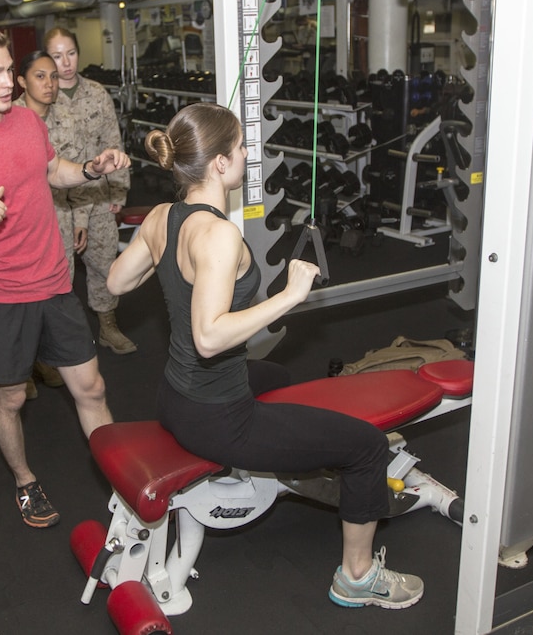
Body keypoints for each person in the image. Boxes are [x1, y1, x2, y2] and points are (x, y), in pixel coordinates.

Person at [106, 102, 424, 610]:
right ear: (218, 164)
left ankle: (277, 461)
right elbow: (209, 338)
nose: (247, 154)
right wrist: (288, 297)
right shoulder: (219, 234)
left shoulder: (163, 217)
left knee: (274, 373)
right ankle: (358, 577)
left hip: (175, 395)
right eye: (239, 148)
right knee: (366, 446)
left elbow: (116, 281)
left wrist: (170, 263)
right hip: (216, 416)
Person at [0, 26, 128, 528]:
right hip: (1, 295)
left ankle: (123, 479)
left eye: (8, 71)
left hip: (55, 281)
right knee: (11, 397)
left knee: (92, 388)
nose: (8, 83)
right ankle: (24, 479)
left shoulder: (26, 122)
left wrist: (92, 169)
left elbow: (55, 171)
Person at [44, 26, 137, 355]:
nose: (65, 62)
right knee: (58, 268)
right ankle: (56, 340)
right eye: (56, 56)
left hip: (96, 192)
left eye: (70, 53)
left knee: (103, 259)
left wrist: (118, 192)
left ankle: (108, 325)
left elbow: (114, 142)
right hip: (54, 199)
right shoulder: (38, 99)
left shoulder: (97, 92)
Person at [11, 50, 72, 396]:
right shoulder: (8, 121)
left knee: (53, 295)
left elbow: (68, 170)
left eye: (53, 76)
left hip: (59, 214)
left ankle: (44, 357)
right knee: (21, 297)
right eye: (39, 76)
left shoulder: (63, 115)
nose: (49, 84)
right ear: (21, 81)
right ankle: (20, 369)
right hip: (23, 223)